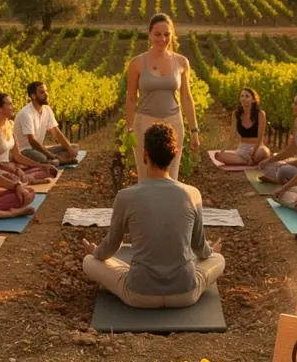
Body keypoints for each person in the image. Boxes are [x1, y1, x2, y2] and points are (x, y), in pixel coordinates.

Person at [82, 122, 225, 308]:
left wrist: (94, 252)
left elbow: (111, 246)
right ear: (173, 157)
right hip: (185, 294)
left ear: (145, 154)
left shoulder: (125, 196)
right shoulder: (192, 194)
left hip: (139, 295)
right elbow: (199, 248)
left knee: (89, 262)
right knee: (218, 260)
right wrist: (211, 251)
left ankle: (131, 273)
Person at [124, 13, 201, 181]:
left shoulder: (181, 62)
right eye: (158, 34)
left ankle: (170, 207)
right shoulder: (137, 63)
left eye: (167, 34)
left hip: (173, 123)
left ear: (172, 34)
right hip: (144, 123)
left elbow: (187, 98)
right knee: (145, 175)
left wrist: (194, 131)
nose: (162, 38)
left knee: (171, 175)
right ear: (150, 34)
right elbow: (130, 99)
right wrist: (129, 130)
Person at [0, 92, 57, 185]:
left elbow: (17, 156)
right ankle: (28, 180)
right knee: (15, 178)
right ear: (0, 109)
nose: (13, 106)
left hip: (8, 167)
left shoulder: (10, 124)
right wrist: (14, 170)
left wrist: (41, 165)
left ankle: (27, 179)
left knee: (46, 169)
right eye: (10, 104)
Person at [14, 81, 79, 167]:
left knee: (74, 147)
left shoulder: (47, 109)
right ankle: (57, 161)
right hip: (25, 151)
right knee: (42, 158)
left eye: (46, 91)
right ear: (33, 96)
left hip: (40, 149)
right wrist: (52, 156)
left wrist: (69, 148)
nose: (47, 94)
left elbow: (56, 131)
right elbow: (32, 141)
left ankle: (55, 160)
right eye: (42, 92)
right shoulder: (26, 113)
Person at [258, 92, 297, 184]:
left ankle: (280, 180)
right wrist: (268, 160)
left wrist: (290, 163)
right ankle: (282, 179)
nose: (292, 106)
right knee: (266, 165)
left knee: (283, 170)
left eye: (295, 104)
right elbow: (291, 150)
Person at [214, 87, 271, 167]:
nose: (243, 98)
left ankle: (251, 159)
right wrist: (222, 151)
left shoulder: (260, 114)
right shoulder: (235, 114)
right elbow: (231, 138)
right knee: (218, 156)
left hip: (257, 148)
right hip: (242, 149)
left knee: (263, 153)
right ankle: (248, 161)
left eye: (247, 96)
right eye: (242, 96)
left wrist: (253, 153)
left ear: (253, 100)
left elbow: (260, 138)